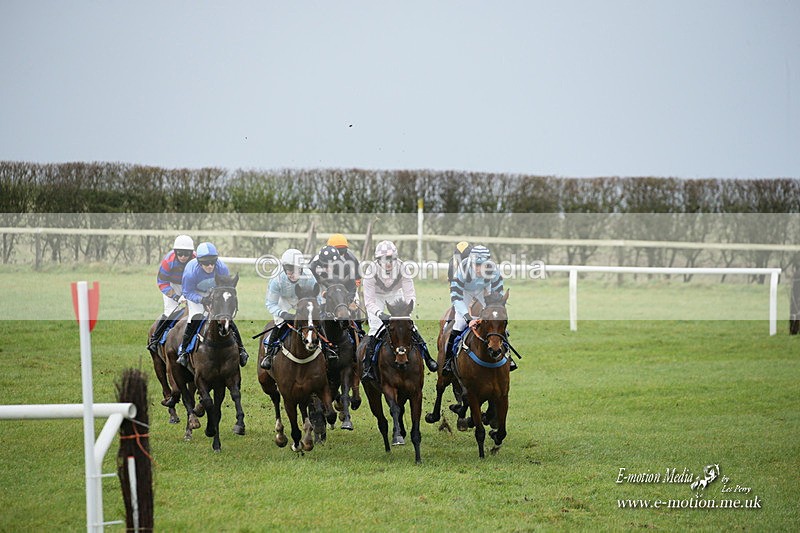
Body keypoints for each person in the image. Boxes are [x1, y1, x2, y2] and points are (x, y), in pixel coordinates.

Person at [361, 240, 438, 381]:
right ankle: (368, 368)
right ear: (378, 260)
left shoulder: (403, 268)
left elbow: (410, 295)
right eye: (385, 260)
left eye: (391, 259)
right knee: (375, 329)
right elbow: (369, 302)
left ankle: (428, 358)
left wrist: (406, 311)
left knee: (411, 327)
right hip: (376, 298)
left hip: (395, 295)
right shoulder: (370, 272)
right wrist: (380, 314)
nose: (388, 263)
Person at [443, 244, 515, 375]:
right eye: (475, 264)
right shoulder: (461, 269)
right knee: (459, 324)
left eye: (481, 265)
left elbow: (498, 297)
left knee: (496, 324)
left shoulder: (494, 271)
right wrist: (468, 318)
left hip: (484, 292)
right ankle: (448, 361)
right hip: (464, 293)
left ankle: (508, 358)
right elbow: (456, 297)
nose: (478, 268)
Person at [177, 242, 249, 368]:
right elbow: (187, 292)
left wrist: (215, 299)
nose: (210, 266)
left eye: (212, 262)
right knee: (195, 317)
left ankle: (241, 349)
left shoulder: (222, 268)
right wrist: (202, 300)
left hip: (215, 293)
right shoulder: (190, 272)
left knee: (226, 318)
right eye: (206, 263)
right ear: (199, 262)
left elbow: (224, 287)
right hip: (196, 294)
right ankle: (183, 351)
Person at [260, 249, 319, 370]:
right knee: (280, 323)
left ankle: (327, 351)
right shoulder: (277, 279)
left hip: (302, 301)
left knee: (315, 322)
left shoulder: (309, 276)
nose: (291, 274)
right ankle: (269, 354)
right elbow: (270, 303)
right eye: (288, 270)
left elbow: (317, 298)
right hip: (284, 301)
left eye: (294, 270)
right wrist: (283, 313)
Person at [147, 235, 195, 351]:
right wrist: (176, 296)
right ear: (175, 252)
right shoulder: (168, 261)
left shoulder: (196, 260)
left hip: (188, 284)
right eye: (180, 253)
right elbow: (162, 282)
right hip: (171, 284)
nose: (183, 257)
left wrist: (189, 292)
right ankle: (155, 339)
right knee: (170, 313)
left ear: (191, 253)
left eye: (186, 254)